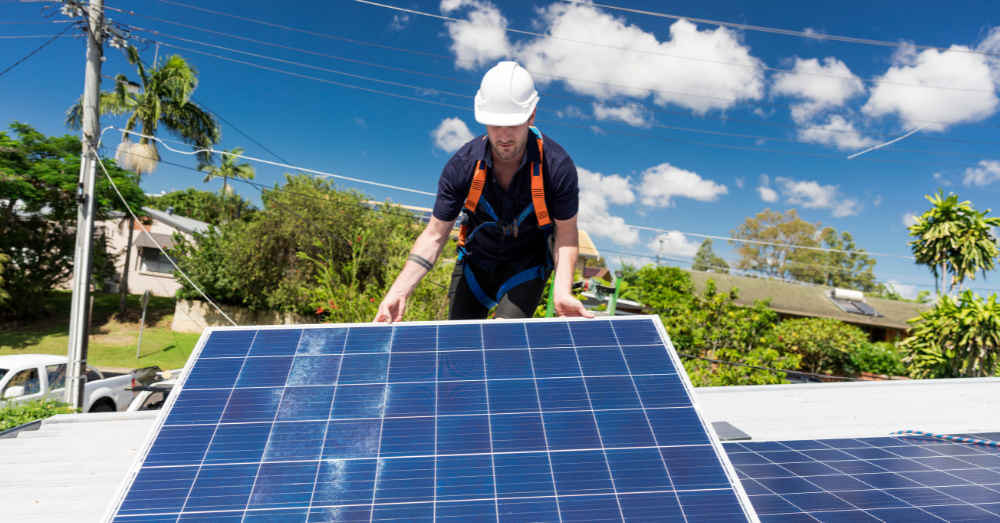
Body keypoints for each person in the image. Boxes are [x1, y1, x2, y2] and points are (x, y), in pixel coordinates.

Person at [374, 61, 593, 323]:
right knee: (460, 348)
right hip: (475, 265)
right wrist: (399, 292)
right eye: (494, 124)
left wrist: (562, 291)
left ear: (532, 115)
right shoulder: (462, 165)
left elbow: (567, 233)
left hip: (525, 267)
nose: (503, 136)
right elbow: (435, 234)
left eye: (513, 124)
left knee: (501, 341)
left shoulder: (557, 167)